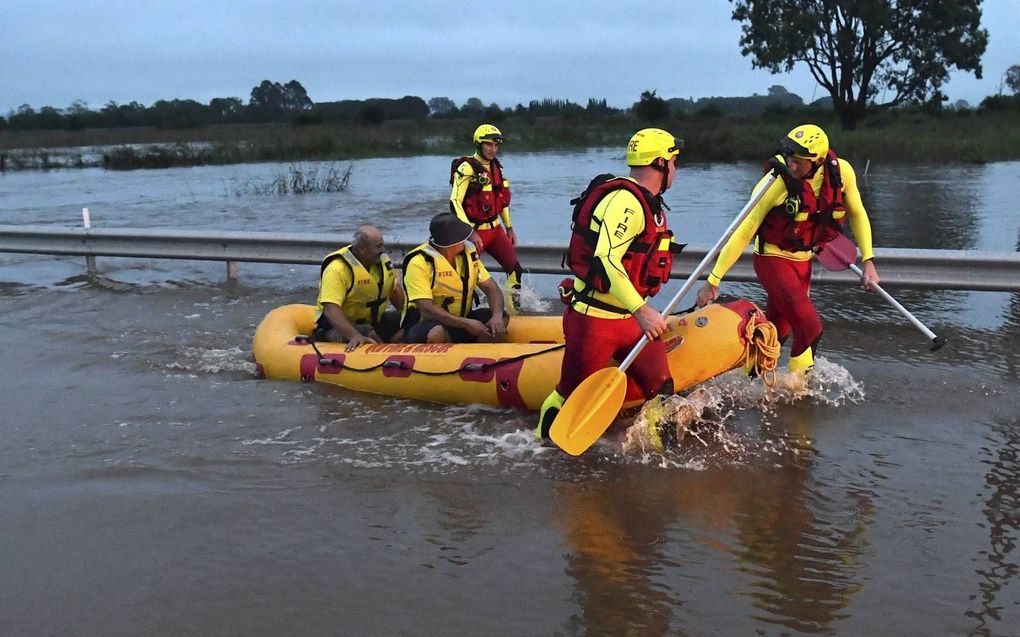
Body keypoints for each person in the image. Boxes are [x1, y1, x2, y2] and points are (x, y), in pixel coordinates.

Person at [695, 124, 881, 377]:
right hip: (772, 259)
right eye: (790, 159)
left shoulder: (842, 172)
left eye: (799, 162)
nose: (792, 166)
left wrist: (868, 260)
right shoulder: (775, 182)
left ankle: (746, 385)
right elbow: (743, 230)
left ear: (817, 161)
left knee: (777, 330)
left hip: (803, 262)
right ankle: (798, 394)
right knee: (810, 327)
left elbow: (858, 213)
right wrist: (713, 280)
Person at [536, 128, 686, 438]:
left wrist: (637, 312)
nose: (675, 169)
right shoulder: (626, 203)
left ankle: (659, 458)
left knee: (661, 387)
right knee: (569, 395)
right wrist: (642, 310)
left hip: (628, 320)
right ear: (660, 163)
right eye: (673, 161)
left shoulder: (650, 203)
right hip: (594, 320)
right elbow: (606, 259)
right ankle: (542, 450)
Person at [400, 212, 509, 344]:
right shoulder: (419, 263)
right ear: (451, 242)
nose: (466, 240)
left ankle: (479, 357)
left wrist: (496, 316)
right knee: (436, 332)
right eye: (462, 237)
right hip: (425, 324)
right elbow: (426, 309)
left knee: (501, 317)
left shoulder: (468, 254)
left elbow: (491, 288)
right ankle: (447, 360)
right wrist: (465, 324)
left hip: (461, 320)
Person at [449, 124, 525, 310]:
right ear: (479, 144)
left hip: (495, 231)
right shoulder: (467, 167)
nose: (493, 149)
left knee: (515, 270)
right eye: (489, 145)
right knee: (467, 276)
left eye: (496, 145)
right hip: (475, 234)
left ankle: (515, 312)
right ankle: (467, 312)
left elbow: (501, 201)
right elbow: (454, 202)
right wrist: (468, 233)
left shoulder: (495, 167)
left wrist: (509, 227)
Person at [313, 225, 406, 351]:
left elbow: (394, 294)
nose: (383, 250)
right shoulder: (337, 269)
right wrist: (355, 336)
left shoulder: (381, 262)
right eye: (378, 246)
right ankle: (383, 356)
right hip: (337, 329)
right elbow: (331, 310)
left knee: (408, 319)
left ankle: (399, 349)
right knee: (366, 331)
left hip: (374, 322)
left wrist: (408, 314)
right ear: (362, 249)